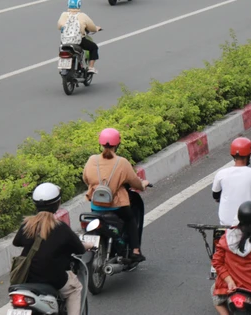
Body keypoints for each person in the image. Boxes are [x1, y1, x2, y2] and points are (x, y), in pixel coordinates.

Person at [12, 183, 87, 315]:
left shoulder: (27, 225)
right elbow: (80, 249)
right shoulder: (61, 228)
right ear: (57, 204)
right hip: (54, 278)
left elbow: (17, 242)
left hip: (28, 277)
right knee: (75, 289)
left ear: (35, 204)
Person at [83, 128, 149, 261]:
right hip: (117, 207)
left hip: (96, 206)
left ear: (100, 143)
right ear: (117, 144)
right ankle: (135, 251)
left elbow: (85, 179)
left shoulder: (92, 160)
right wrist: (143, 185)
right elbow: (134, 182)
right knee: (130, 219)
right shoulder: (122, 162)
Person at [213, 138, 251, 225]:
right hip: (248, 221)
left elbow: (215, 195)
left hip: (226, 223)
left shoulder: (221, 173)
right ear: (249, 154)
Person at [57, 0, 101, 73]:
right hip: (78, 40)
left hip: (65, 41)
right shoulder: (82, 15)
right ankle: (91, 67)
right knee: (94, 47)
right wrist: (96, 29)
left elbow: (59, 26)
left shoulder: (64, 14)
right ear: (79, 5)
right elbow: (92, 27)